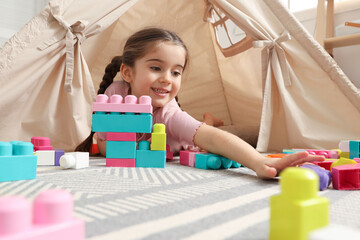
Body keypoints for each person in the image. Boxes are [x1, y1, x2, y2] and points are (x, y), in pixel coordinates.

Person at [76, 27, 324, 179]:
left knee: (217, 134)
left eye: (176, 72)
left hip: (186, 134)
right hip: (179, 130)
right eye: (155, 67)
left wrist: (259, 162)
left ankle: (211, 122)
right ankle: (209, 121)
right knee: (201, 129)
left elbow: (213, 139)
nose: (167, 79)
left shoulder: (169, 115)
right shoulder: (115, 94)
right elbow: (106, 145)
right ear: (127, 73)